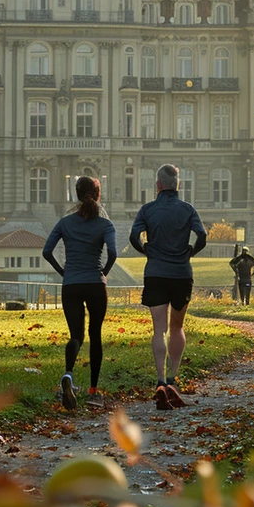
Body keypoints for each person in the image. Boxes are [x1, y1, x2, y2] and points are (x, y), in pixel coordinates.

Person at [130, 164, 206, 411]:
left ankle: (160, 380)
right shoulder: (187, 209)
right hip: (181, 273)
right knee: (177, 326)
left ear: (158, 185)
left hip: (156, 273)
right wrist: (190, 252)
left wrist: (146, 250)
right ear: (178, 185)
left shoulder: (147, 209)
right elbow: (201, 236)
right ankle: (174, 377)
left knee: (158, 329)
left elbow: (134, 237)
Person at [43, 176, 117, 411]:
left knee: (76, 335)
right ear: (98, 195)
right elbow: (113, 253)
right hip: (95, 283)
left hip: (71, 284)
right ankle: (93, 391)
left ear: (76, 195)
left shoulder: (65, 222)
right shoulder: (106, 225)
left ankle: (68, 375)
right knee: (95, 334)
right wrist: (102, 273)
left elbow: (47, 251)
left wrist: (64, 272)